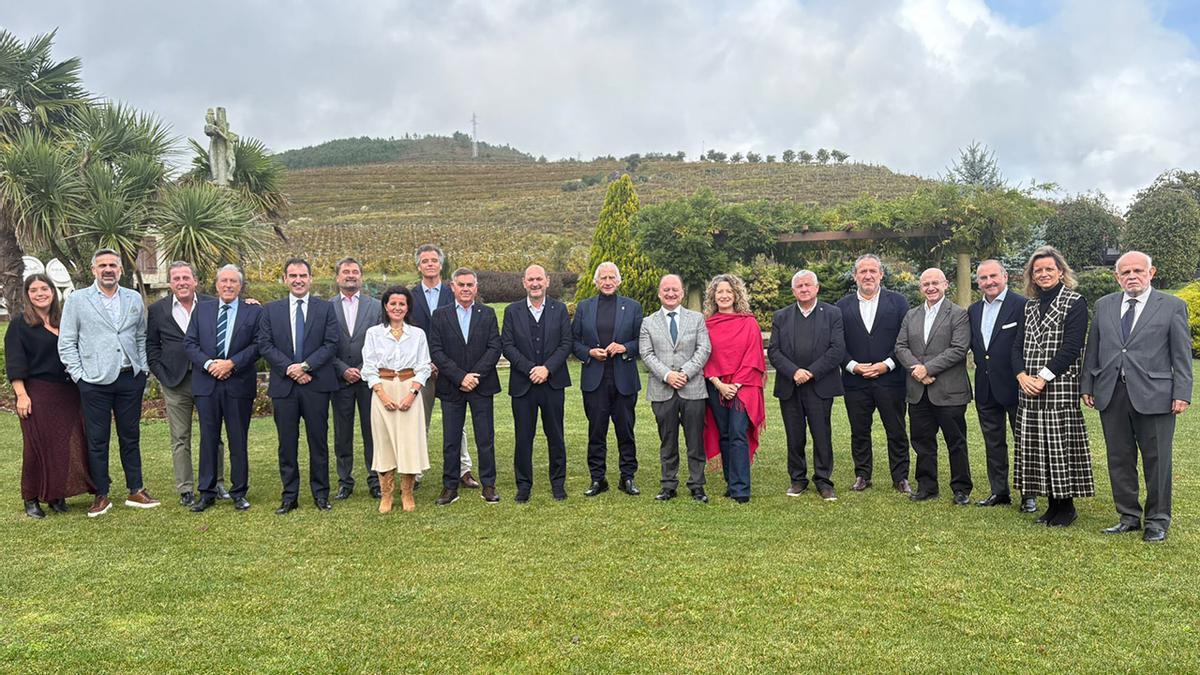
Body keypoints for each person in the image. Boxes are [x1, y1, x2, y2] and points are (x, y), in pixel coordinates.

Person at [1082, 251, 1191, 543]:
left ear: (1151, 273)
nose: (1132, 276)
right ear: (1117, 277)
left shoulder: (1172, 306)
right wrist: (1087, 385)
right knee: (1119, 458)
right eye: (1126, 272)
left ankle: (1157, 520)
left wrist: (1182, 392)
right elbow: (1093, 348)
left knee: (1158, 461)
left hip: (1156, 395)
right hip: (1112, 393)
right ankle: (1128, 516)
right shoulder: (1104, 305)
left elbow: (1182, 355)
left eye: (1138, 271)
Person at [58, 248, 159, 517]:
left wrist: (143, 369)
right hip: (94, 381)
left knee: (130, 436)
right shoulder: (78, 300)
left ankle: (136, 489)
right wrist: (79, 376)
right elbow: (67, 342)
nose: (108, 269)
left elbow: (140, 336)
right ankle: (101, 494)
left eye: (113, 265)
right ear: (94, 270)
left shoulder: (133, 298)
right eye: (102, 265)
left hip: (129, 379)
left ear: (121, 270)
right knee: (97, 440)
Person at [1011, 246, 1093, 527]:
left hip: (1059, 387)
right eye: (1038, 270)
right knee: (1038, 449)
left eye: (1049, 269)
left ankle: (1066, 508)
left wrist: (1043, 377)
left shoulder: (1075, 302)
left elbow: (1072, 347)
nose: (1043, 274)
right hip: (1029, 390)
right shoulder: (1029, 306)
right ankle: (1051, 506)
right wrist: (1021, 375)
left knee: (1060, 448)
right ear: (1032, 276)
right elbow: (1016, 346)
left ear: (1060, 272)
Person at [257, 257, 341, 515]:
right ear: (285, 279)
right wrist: (290, 369)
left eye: (303, 275)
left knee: (318, 442)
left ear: (310, 279)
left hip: (316, 384)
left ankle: (321, 494)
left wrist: (305, 367)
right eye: (293, 276)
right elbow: (265, 344)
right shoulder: (271, 310)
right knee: (287, 444)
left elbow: (331, 343)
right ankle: (289, 496)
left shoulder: (325, 309)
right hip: (285, 387)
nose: (298, 280)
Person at [7, 274, 93, 518]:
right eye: (34, 290)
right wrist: (21, 395)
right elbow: (15, 362)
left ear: (53, 292)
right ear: (27, 295)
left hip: (68, 393)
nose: (40, 294)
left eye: (44, 289)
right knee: (35, 447)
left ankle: (56, 494)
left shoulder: (64, 320)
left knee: (63, 444)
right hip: (38, 392)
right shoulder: (19, 325)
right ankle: (31, 498)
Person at [147, 261, 227, 506]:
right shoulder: (158, 309)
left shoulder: (212, 304)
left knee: (212, 433)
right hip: (175, 382)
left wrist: (252, 303)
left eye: (185, 278)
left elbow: (236, 315)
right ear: (170, 283)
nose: (181, 282)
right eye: (176, 279)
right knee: (180, 437)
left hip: (207, 379)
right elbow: (152, 346)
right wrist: (161, 374)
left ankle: (217, 482)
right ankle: (185, 488)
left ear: (195, 281)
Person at [184, 264, 262, 512]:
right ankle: (206, 493)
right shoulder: (202, 310)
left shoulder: (253, 311)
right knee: (208, 439)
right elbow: (190, 343)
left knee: (238, 439)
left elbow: (259, 345)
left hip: (238, 384)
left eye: (233, 281)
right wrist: (210, 365)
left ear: (241, 285)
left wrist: (231, 364)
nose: (228, 285)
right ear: (216, 285)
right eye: (224, 281)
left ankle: (239, 492)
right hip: (207, 384)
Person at [894, 268, 974, 505]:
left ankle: (961, 488)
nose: (930, 288)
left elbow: (959, 349)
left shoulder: (958, 314)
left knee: (955, 442)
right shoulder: (911, 315)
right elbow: (900, 347)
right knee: (922, 442)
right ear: (920, 288)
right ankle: (927, 486)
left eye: (935, 283)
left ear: (945, 284)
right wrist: (917, 370)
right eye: (925, 284)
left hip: (949, 391)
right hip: (918, 392)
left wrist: (927, 369)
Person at [835, 253, 912, 494]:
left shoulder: (898, 302)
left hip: (891, 380)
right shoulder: (841, 306)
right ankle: (862, 475)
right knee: (859, 431)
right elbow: (837, 343)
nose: (868, 275)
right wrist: (853, 366)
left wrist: (887, 364)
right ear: (855, 276)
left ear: (881, 274)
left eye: (872, 271)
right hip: (855, 381)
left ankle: (900, 477)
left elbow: (905, 339)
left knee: (896, 430)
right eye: (863, 271)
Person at [768, 270, 845, 501]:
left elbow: (837, 349)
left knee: (822, 435)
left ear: (817, 288)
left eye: (808, 285)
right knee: (794, 435)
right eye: (799, 286)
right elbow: (774, 351)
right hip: (790, 386)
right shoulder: (781, 316)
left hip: (819, 385)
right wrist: (794, 372)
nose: (804, 289)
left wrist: (810, 372)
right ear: (793, 291)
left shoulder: (832, 314)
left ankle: (823, 481)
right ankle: (798, 479)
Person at [428, 267, 502, 505]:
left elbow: (494, 347)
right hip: (452, 387)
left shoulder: (487, 313)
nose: (466, 289)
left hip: (482, 385)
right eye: (461, 285)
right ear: (452, 287)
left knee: (485, 438)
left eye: (470, 285)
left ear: (476, 287)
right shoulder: (440, 315)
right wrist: (461, 377)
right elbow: (436, 350)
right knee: (451, 440)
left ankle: (488, 485)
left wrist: (474, 376)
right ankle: (450, 487)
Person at [501, 265, 574, 502]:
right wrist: (530, 369)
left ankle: (558, 483)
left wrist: (547, 369)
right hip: (523, 385)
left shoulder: (559, 309)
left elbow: (566, 343)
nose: (535, 283)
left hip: (553, 383)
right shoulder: (512, 311)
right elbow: (507, 345)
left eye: (539, 279)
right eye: (531, 279)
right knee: (523, 437)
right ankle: (523, 485)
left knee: (556, 435)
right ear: (524, 282)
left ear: (547, 281)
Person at [408, 244, 477, 489]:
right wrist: (426, 362)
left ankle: (463, 470)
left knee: (458, 424)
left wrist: (446, 365)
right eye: (425, 261)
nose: (430, 264)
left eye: (434, 260)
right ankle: (414, 473)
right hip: (420, 370)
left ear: (441, 264)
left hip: (451, 370)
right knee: (419, 421)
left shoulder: (453, 291)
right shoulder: (410, 297)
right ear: (419, 266)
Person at [572, 262, 644, 497]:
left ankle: (627, 477)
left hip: (624, 379)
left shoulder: (633, 307)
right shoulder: (584, 307)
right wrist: (589, 352)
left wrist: (625, 347)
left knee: (626, 430)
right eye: (603, 278)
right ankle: (597, 478)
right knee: (596, 431)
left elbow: (642, 341)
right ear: (596, 282)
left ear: (619, 281)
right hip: (595, 380)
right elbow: (573, 341)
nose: (607, 281)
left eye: (612, 277)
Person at [967, 260, 1034, 511]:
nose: (989, 282)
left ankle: (1029, 494)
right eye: (983, 278)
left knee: (1024, 442)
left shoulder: (1022, 305)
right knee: (993, 443)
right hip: (985, 387)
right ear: (978, 282)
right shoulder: (973, 310)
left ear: (1005, 277)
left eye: (993, 276)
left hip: (1016, 386)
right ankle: (999, 491)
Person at [639, 274, 711, 502]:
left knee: (695, 440)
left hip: (693, 388)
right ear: (659, 293)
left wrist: (685, 373)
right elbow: (646, 354)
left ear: (682, 293)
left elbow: (704, 349)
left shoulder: (697, 319)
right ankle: (668, 484)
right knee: (667, 440)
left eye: (675, 290)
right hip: (662, 390)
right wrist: (668, 375)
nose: (671, 293)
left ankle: (697, 485)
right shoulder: (648, 322)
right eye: (666, 290)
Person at [361, 286, 432, 513]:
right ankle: (386, 494)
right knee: (384, 442)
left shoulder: (418, 334)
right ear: (385, 306)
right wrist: (382, 394)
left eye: (402, 304)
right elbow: (368, 367)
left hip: (410, 390)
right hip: (383, 390)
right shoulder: (374, 333)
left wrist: (412, 394)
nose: (397, 308)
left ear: (408, 307)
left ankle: (407, 493)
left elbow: (424, 366)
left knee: (409, 442)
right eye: (393, 303)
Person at [702, 274, 766, 504]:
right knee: (725, 433)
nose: (724, 295)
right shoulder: (706, 325)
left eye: (729, 291)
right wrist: (719, 384)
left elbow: (753, 356)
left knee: (738, 432)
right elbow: (703, 355)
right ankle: (731, 483)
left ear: (737, 295)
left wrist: (735, 385)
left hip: (743, 387)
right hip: (715, 386)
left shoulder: (749, 323)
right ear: (713, 296)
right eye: (719, 291)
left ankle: (741, 489)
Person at [330, 257, 383, 500]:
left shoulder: (376, 307)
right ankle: (345, 481)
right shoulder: (327, 307)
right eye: (346, 272)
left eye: (355, 271)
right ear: (338, 277)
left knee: (373, 431)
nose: (350, 275)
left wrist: (362, 368)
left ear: (361, 276)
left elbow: (381, 342)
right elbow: (324, 343)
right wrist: (343, 369)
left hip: (368, 379)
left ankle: (376, 479)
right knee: (342, 434)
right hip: (340, 379)